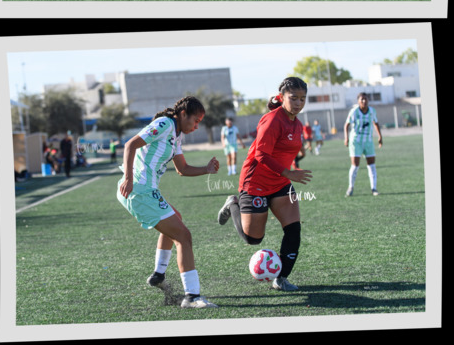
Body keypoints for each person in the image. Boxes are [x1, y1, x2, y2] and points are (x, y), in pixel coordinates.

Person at [117, 96, 220, 309]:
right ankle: (192, 296)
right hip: (140, 191)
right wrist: (128, 178)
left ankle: (158, 274)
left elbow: (182, 169)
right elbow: (130, 145)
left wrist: (206, 169)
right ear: (183, 114)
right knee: (183, 236)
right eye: (196, 120)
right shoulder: (164, 124)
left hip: (148, 191)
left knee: (177, 222)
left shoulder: (176, 135)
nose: (197, 125)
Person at [217, 77, 312, 292]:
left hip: (280, 183)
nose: (299, 103)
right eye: (293, 98)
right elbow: (260, 154)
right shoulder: (272, 120)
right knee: (253, 239)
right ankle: (233, 203)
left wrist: (288, 172)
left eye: (303, 99)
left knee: (294, 230)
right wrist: (288, 171)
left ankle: (281, 278)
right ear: (282, 98)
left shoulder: (297, 124)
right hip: (256, 182)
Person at [344, 93, 383, 196]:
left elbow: (376, 123)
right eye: (362, 100)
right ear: (358, 101)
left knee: (371, 165)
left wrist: (380, 136)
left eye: (366, 99)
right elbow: (347, 124)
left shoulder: (372, 111)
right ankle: (350, 187)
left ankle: (374, 188)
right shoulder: (354, 111)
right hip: (356, 141)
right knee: (355, 165)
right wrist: (346, 138)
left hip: (368, 141)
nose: (364, 101)